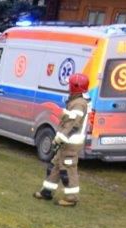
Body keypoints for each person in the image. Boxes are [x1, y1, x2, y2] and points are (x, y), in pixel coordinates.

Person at [33, 73, 91, 207]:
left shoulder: (79, 104)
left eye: (70, 85)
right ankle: (47, 191)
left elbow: (72, 125)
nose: (69, 87)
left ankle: (71, 198)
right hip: (67, 141)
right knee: (56, 165)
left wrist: (59, 139)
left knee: (68, 168)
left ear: (75, 86)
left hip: (70, 142)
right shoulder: (76, 101)